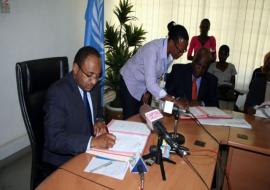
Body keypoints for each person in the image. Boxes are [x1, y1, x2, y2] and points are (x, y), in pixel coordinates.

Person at [43, 46, 116, 167]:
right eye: (90, 75)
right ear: (76, 69)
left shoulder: (94, 86)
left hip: (89, 150)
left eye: (97, 76)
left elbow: (98, 111)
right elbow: (54, 139)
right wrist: (92, 142)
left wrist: (99, 120)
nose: (93, 81)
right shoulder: (57, 93)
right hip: (65, 160)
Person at [120, 21, 189, 119]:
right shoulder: (152, 50)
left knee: (145, 117)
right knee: (132, 118)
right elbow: (151, 84)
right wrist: (173, 100)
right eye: (180, 50)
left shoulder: (170, 55)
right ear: (172, 42)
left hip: (144, 84)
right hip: (130, 83)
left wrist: (148, 92)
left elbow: (156, 74)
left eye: (184, 51)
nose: (181, 54)